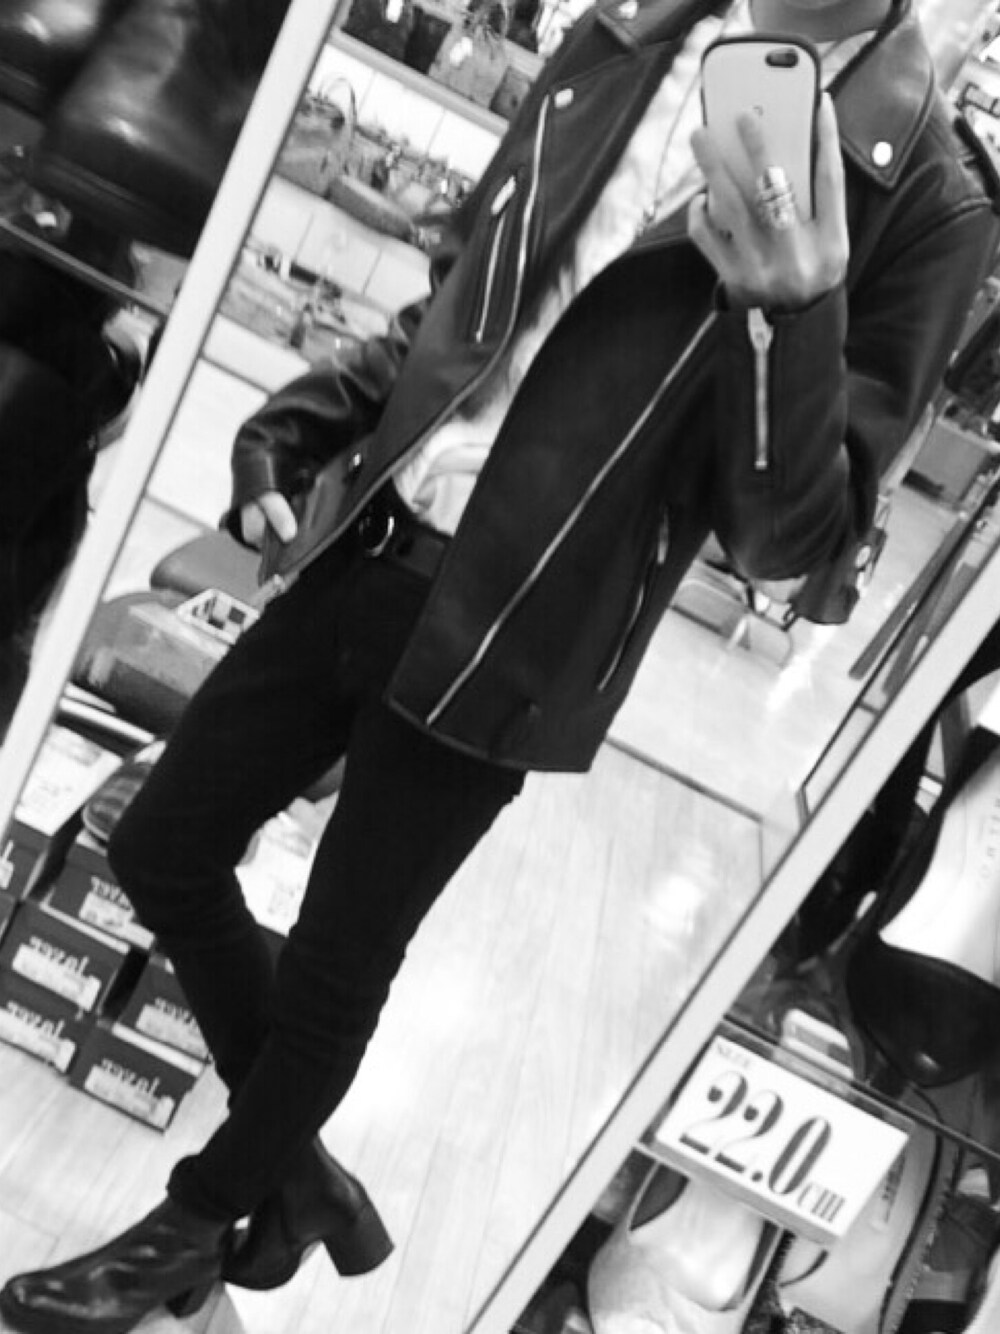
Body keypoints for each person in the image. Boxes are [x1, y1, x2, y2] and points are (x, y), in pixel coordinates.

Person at [3, 0, 999, 1329]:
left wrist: (789, 312)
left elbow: (798, 549)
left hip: (530, 626)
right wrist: (313, 414)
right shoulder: (629, 39)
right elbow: (469, 298)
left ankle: (195, 1223)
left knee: (340, 959)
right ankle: (296, 1177)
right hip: (378, 532)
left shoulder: (927, 201)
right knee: (161, 843)